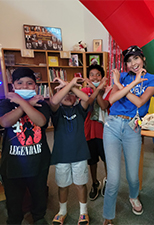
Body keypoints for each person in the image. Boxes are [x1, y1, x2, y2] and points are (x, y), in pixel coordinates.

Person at [102, 45, 154, 225]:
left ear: (143, 59)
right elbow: (111, 99)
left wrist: (122, 85)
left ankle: (133, 197)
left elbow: (140, 101)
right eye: (129, 60)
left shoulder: (152, 79)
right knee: (113, 178)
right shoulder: (124, 76)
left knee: (133, 175)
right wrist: (122, 83)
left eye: (136, 58)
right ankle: (108, 215)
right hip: (112, 124)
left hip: (133, 126)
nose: (133, 63)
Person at [0, 67, 51, 224]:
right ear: (13, 86)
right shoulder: (6, 103)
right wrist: (23, 103)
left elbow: (41, 122)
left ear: (35, 86)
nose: (24, 86)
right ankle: (15, 220)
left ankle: (39, 217)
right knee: (14, 200)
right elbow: (5, 122)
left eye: (29, 83)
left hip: (38, 163)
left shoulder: (41, 103)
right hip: (13, 165)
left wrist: (23, 102)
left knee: (39, 195)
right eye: (19, 83)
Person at [50, 77, 92, 225]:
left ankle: (83, 211)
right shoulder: (56, 111)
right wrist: (66, 87)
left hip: (79, 154)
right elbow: (54, 102)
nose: (67, 96)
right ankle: (62, 211)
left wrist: (68, 85)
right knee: (62, 185)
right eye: (64, 93)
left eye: (71, 93)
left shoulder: (79, 110)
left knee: (81, 184)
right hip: (61, 156)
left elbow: (86, 98)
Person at [81, 64, 111, 201]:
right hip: (89, 131)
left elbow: (104, 106)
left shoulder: (109, 90)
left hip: (105, 132)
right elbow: (86, 104)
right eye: (92, 74)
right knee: (92, 160)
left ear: (103, 77)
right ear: (88, 77)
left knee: (107, 159)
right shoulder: (85, 90)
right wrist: (94, 89)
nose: (95, 77)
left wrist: (97, 89)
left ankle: (108, 181)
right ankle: (94, 182)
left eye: (98, 74)